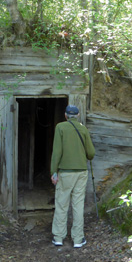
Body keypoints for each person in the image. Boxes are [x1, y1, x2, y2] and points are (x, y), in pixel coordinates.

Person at [50, 104, 95, 248]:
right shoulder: (83, 129)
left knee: (62, 204)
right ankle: (77, 239)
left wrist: (54, 172)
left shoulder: (60, 127)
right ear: (78, 115)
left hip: (65, 172)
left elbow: (57, 151)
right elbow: (91, 153)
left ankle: (58, 237)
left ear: (65, 115)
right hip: (81, 172)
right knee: (78, 204)